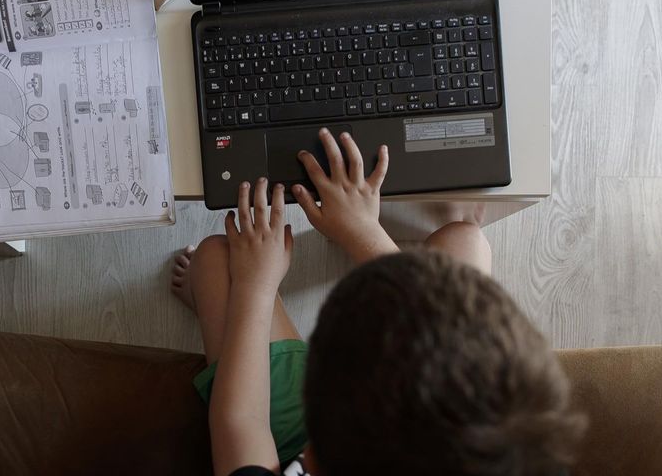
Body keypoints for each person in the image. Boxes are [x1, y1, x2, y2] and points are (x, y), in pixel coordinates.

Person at [170, 128, 585, 476]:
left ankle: (211, 306)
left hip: (281, 445)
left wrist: (254, 286)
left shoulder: (317, 446)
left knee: (216, 260)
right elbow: (459, 340)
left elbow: (240, 422)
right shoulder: (491, 452)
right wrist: (361, 230)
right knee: (465, 240)